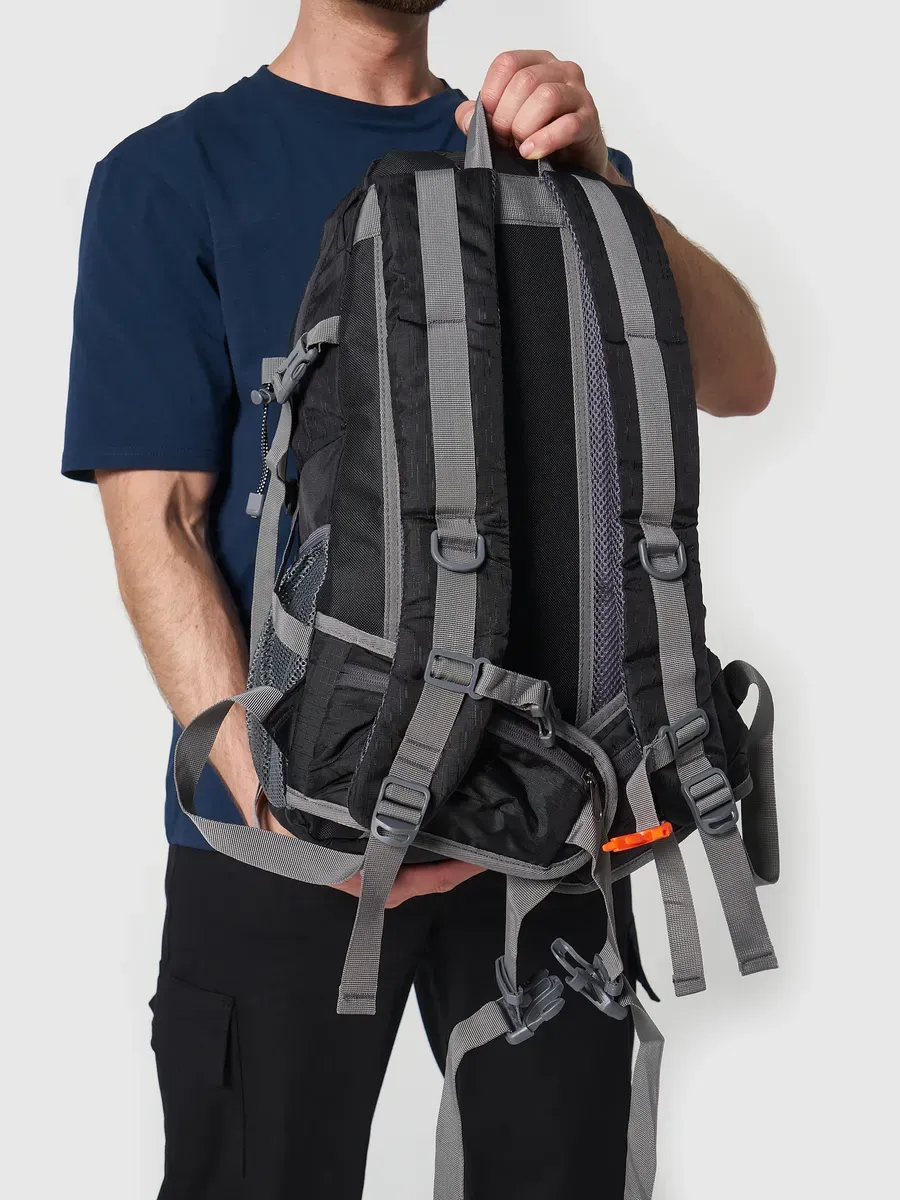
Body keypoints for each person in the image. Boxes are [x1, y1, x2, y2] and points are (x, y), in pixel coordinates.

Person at [63, 1, 775, 1196]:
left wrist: (603, 180)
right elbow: (161, 527)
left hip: (549, 823)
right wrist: (280, 807)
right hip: (290, 822)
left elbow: (744, 376)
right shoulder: (172, 176)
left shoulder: (537, 154)